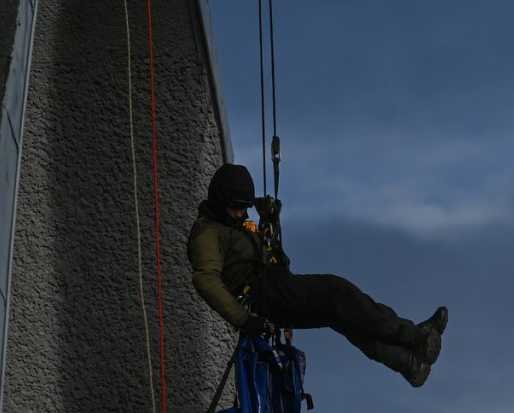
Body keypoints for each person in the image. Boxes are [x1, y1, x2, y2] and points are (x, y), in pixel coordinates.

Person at [187, 163, 448, 387]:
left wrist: (268, 219)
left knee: (342, 315)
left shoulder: (231, 225)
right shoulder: (207, 232)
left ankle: (409, 364)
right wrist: (244, 320)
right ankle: (414, 335)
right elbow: (205, 279)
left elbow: (261, 253)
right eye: (235, 207)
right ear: (220, 201)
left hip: (271, 291)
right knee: (336, 291)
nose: (241, 213)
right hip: (262, 294)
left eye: (244, 207)